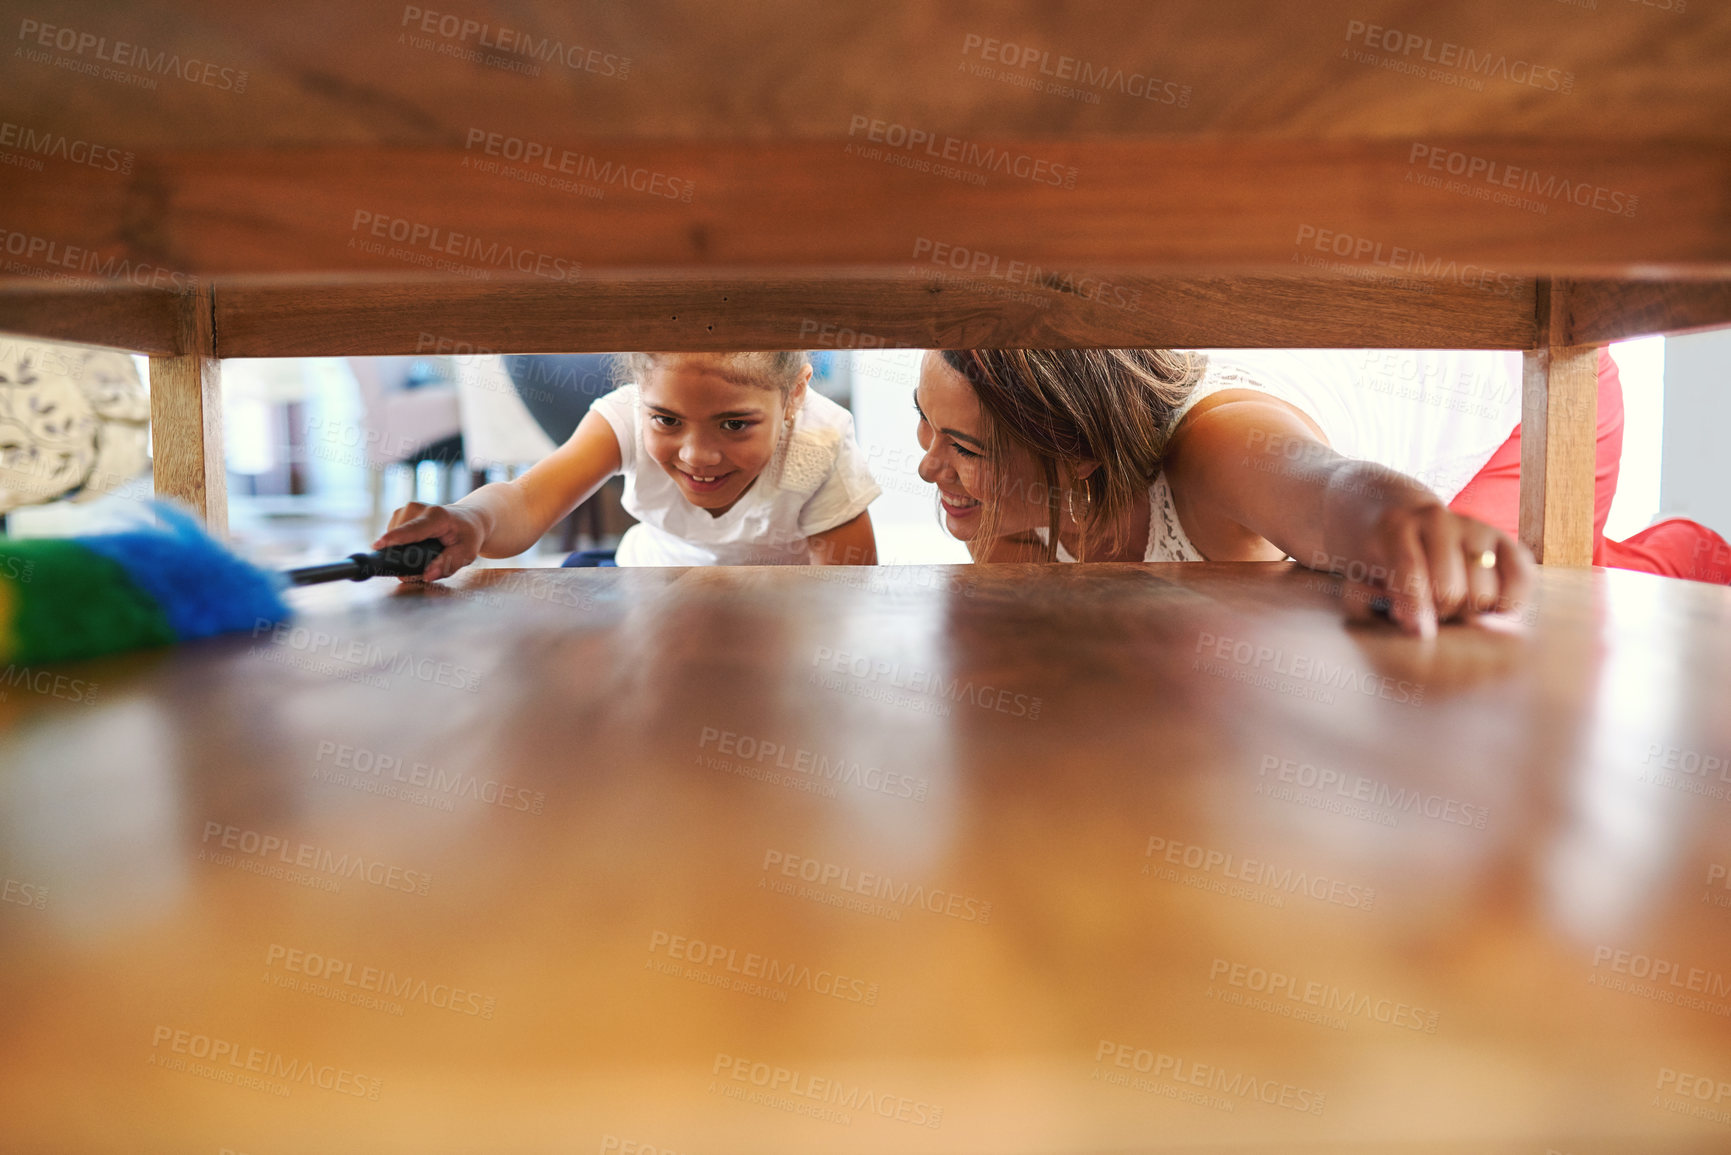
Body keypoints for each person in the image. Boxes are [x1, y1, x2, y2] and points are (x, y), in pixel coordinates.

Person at [913, 348, 1534, 637]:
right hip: (1351, 374)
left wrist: (1400, 521)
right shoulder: (1002, 516)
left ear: (1076, 455)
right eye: (924, 421)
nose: (927, 466)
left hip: (1507, 393)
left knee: (1458, 619)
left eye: (965, 448)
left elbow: (1325, 490)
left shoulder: (1216, 446)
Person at [375, 351, 880, 576]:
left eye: (734, 425)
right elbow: (527, 501)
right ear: (642, 396)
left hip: (774, 614)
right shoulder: (624, 415)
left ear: (793, 396)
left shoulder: (819, 443)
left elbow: (844, 593)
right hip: (648, 584)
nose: (696, 456)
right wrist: (471, 520)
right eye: (666, 420)